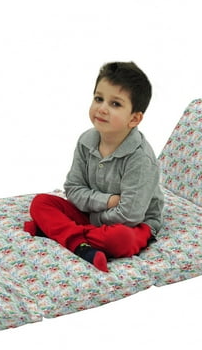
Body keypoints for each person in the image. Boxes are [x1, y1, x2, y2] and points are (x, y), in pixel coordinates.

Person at [24, 61, 164, 272]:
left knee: (121, 239)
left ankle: (62, 233)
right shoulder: (86, 141)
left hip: (134, 223)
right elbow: (73, 189)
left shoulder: (140, 159)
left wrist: (91, 218)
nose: (102, 108)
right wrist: (107, 201)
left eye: (115, 104)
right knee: (41, 203)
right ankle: (81, 245)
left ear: (134, 119)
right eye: (99, 99)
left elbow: (130, 215)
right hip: (93, 212)